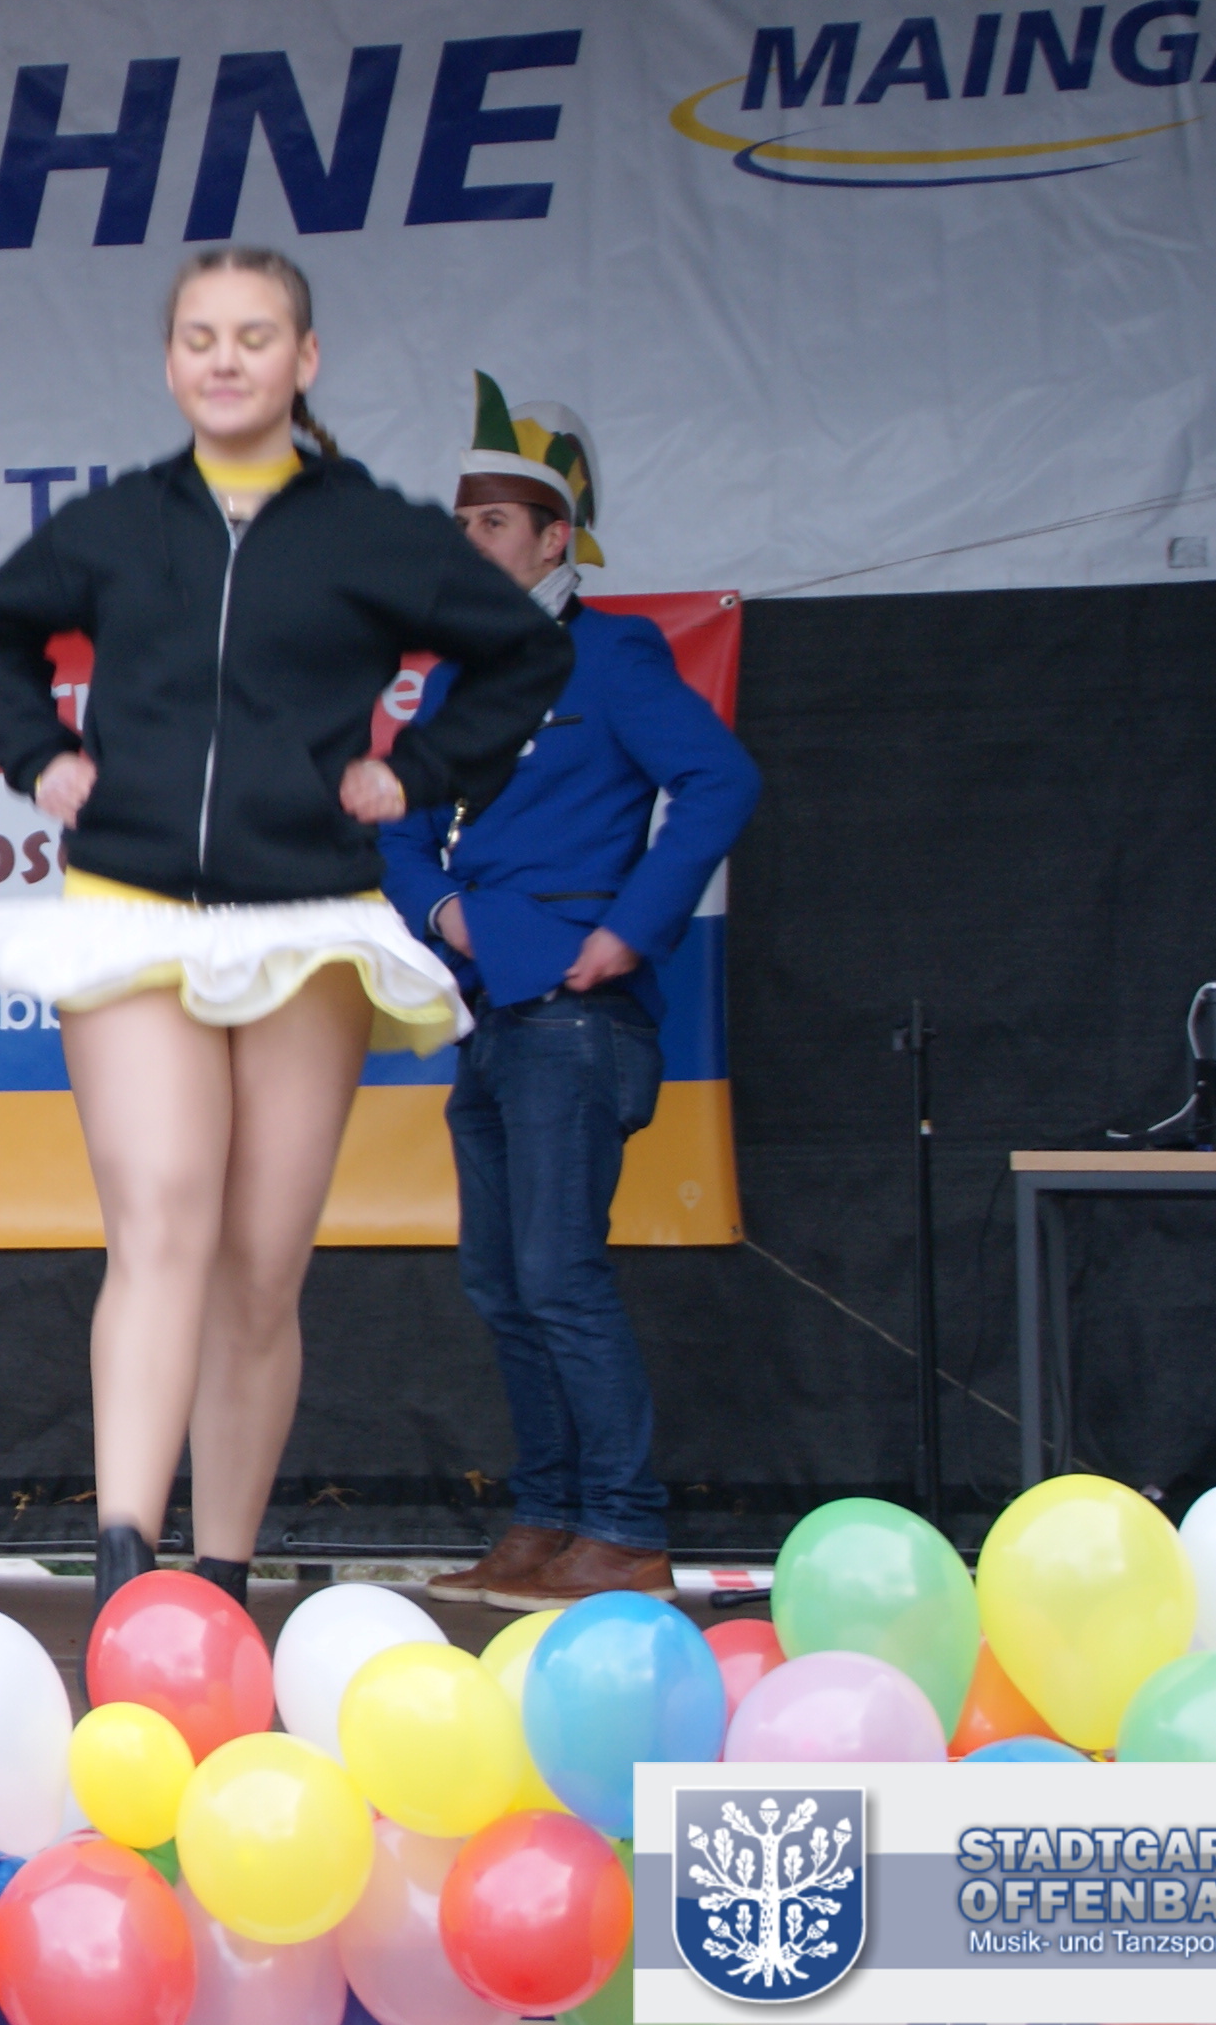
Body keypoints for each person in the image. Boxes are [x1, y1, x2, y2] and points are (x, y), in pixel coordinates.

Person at [0, 251, 573, 1619]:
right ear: (171, 361)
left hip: (304, 921)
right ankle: (124, 1566)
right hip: (130, 913)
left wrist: (415, 772)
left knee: (260, 1266)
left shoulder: (372, 530)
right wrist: (38, 754)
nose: (224, 359)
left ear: (304, 358)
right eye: (200, 337)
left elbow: (524, 651)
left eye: (254, 335)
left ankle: (219, 1580)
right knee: (160, 1216)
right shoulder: (119, 524)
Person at [379, 375, 761, 1608]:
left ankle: (625, 1531)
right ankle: (543, 1520)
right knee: (499, 1283)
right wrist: (439, 913)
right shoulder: (449, 684)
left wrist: (628, 932)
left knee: (554, 1273)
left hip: (577, 1014)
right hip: (489, 1012)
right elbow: (394, 830)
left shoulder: (613, 653)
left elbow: (718, 781)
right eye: (459, 522)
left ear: (554, 541)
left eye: (493, 522)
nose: (469, 540)